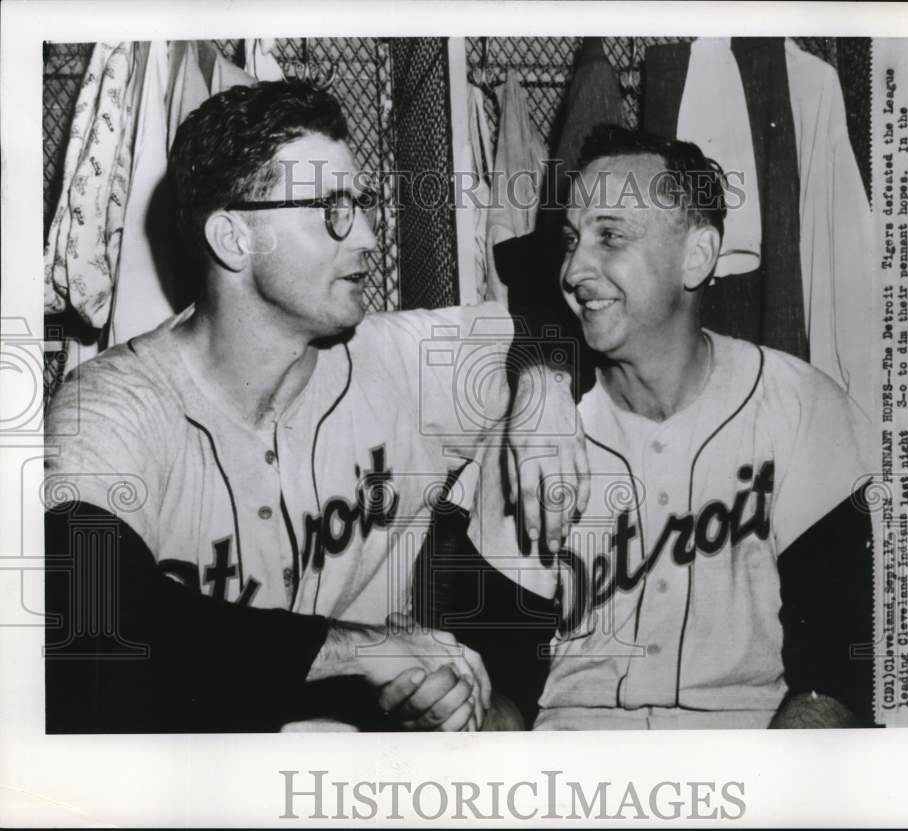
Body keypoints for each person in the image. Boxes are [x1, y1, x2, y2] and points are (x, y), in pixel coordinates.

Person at [43, 79, 583, 733]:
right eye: (330, 209)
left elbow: (563, 300)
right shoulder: (111, 408)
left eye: (361, 203)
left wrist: (545, 386)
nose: (365, 237)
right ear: (234, 238)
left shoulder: (396, 360)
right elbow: (93, 624)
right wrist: (363, 649)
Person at [470, 125, 877, 730]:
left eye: (611, 236)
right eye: (572, 239)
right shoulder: (537, 434)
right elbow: (501, 675)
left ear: (698, 256)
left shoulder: (801, 408)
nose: (575, 268)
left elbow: (840, 672)